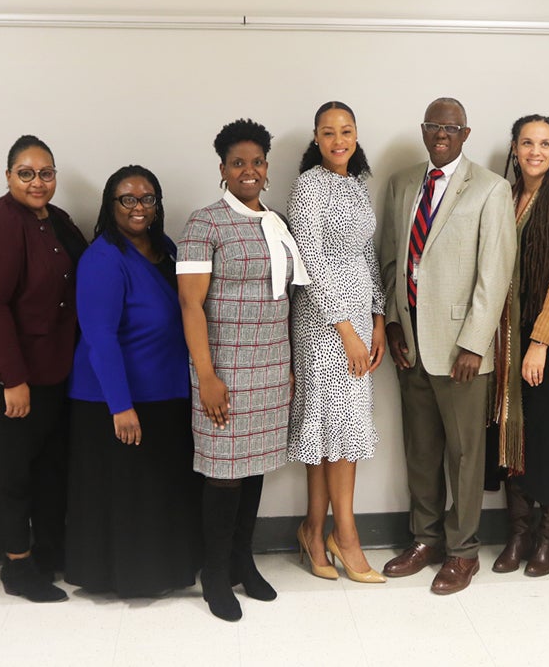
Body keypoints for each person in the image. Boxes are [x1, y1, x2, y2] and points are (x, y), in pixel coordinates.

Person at [378, 97, 516, 595]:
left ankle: (462, 552)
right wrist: (394, 322)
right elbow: (391, 258)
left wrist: (475, 344)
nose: (442, 134)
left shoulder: (490, 190)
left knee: (464, 455)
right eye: (434, 126)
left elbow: (494, 274)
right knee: (420, 450)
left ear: (466, 133)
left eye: (451, 127)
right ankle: (425, 539)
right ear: (423, 130)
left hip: (460, 348)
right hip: (410, 342)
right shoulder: (401, 183)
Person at [0, 135, 87, 603]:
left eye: (45, 173)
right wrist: (13, 380)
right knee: (10, 469)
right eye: (26, 173)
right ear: (8, 177)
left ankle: (47, 552)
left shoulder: (56, 220)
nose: (37, 181)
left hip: (48, 365)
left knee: (48, 464)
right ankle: (17, 566)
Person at [178, 119, 309, 621]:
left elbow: (288, 299)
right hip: (225, 366)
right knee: (223, 474)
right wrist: (206, 375)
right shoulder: (204, 224)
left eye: (256, 162)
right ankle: (214, 573)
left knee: (253, 467)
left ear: (266, 168)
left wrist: (291, 364)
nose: (248, 170)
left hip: (272, 365)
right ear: (222, 169)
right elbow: (191, 307)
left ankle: (241, 562)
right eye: (238, 163)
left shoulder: (276, 221)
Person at [64, 165, 203, 597]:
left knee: (159, 492)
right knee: (126, 497)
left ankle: (164, 572)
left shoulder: (166, 249)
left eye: (147, 198)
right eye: (127, 199)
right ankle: (127, 579)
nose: (138, 207)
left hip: (166, 393)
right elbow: (100, 338)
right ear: (111, 205)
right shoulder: (103, 258)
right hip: (117, 399)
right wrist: (121, 407)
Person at [287, 101, 387, 584]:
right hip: (323, 323)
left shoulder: (357, 187)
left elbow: (367, 256)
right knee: (331, 430)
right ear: (316, 137)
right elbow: (307, 259)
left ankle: (314, 528)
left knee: (337, 430)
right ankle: (344, 536)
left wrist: (378, 318)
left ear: (356, 134)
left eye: (346, 130)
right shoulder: (308, 186)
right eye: (328, 132)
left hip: (358, 322)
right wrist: (346, 327)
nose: (338, 140)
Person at [489, 114, 549, 578]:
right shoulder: (502, 198)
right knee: (513, 437)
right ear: (514, 147)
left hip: (543, 340)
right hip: (502, 336)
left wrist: (538, 343)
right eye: (527, 142)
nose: (535, 151)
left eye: (545, 143)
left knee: (548, 440)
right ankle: (518, 533)